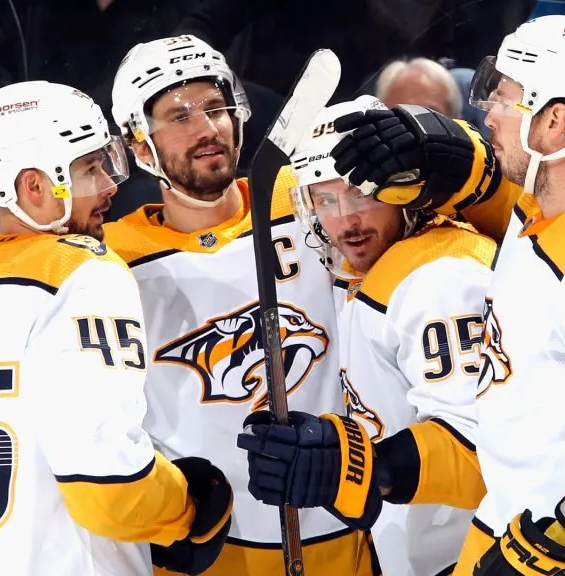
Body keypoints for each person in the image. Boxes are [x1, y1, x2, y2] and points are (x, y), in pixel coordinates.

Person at [239, 14, 565, 575]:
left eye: (506, 98)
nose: (488, 113)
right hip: (508, 529)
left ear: (556, 120)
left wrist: (559, 541)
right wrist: (456, 159)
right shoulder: (545, 205)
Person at [0, 80, 233, 576]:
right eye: (88, 169)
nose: (109, 186)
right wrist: (187, 507)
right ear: (34, 187)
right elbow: (107, 483)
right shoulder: (82, 273)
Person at [106, 35, 373, 576]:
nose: (206, 128)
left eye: (216, 107)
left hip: (341, 533)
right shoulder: (106, 263)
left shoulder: (309, 200)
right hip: (203, 549)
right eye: (179, 116)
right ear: (140, 147)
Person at [280, 94, 495, 574]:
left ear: (403, 192)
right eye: (325, 200)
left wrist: (364, 468)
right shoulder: (359, 274)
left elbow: (482, 443)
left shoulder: (443, 275)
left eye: (361, 193)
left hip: (474, 556)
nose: (346, 220)